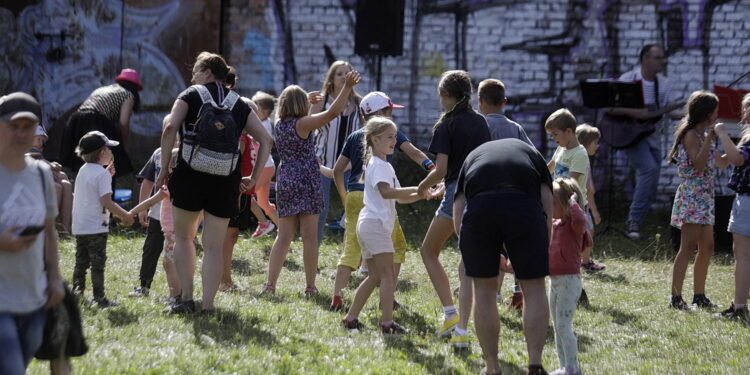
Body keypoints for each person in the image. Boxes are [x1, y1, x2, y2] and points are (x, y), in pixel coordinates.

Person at [155, 51, 272, 314]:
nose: (193, 77)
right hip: (225, 180)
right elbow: (266, 140)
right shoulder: (240, 103)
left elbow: (169, 128)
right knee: (214, 247)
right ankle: (208, 306)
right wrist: (253, 177)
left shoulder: (189, 95)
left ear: (207, 72)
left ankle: (186, 299)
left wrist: (164, 168)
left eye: (195, 71)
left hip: (189, 175)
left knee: (185, 237)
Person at [453, 138, 553, 375]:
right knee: (535, 287)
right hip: (523, 205)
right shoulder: (532, 153)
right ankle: (535, 365)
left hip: (479, 210)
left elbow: (458, 206)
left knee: (485, 291)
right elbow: (547, 200)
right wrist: (543, 242)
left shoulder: (472, 156)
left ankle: (492, 368)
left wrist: (469, 249)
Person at [330, 91, 435, 311]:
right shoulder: (389, 135)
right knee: (397, 245)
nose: (391, 117)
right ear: (377, 113)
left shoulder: (354, 136)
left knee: (351, 247)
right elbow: (415, 153)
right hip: (376, 198)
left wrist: (343, 195)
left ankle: (337, 297)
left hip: (355, 196)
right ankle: (387, 298)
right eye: (388, 111)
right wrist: (433, 169)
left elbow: (338, 170)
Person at [263, 71, 361, 295]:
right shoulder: (303, 124)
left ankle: (270, 285)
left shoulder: (279, 124)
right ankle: (310, 286)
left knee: (283, 236)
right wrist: (346, 87)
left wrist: (309, 101)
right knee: (309, 237)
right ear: (301, 105)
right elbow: (334, 112)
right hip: (307, 180)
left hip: (286, 179)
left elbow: (310, 118)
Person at [416, 70, 490, 345]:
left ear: (446, 96)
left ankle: (451, 314)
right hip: (482, 191)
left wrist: (424, 186)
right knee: (467, 260)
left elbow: (443, 169)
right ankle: (462, 328)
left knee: (428, 251)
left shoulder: (445, 125)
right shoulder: (481, 122)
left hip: (458, 194)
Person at [0, 92, 65, 375]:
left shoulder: (40, 174)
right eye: (13, 126)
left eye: (28, 127)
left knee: (19, 362)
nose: (20, 133)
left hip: (33, 294)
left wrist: (54, 279)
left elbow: (49, 231)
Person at [605, 44, 682, 240]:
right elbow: (609, 108)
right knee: (648, 169)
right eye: (657, 58)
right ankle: (634, 221)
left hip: (652, 136)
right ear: (645, 59)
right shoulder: (629, 79)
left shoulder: (664, 84)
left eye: (662, 58)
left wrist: (691, 112)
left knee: (653, 182)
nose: (661, 62)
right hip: (631, 136)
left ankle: (639, 221)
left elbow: (672, 113)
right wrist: (635, 112)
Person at [667, 91, 730, 310]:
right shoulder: (692, 135)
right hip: (693, 196)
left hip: (705, 198)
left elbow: (720, 163)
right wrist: (711, 139)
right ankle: (675, 297)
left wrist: (729, 143)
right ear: (707, 112)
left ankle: (699, 295)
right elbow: (699, 164)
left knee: (707, 247)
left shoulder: (704, 136)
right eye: (715, 109)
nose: (717, 114)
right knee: (688, 246)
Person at [477, 78, 532, 312]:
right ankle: (518, 291)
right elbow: (531, 156)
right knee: (514, 248)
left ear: (479, 102)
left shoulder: (480, 127)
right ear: (504, 102)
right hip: (515, 196)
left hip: (487, 196)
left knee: (492, 247)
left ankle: (493, 292)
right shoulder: (516, 128)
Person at [71, 131, 135, 307]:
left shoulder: (84, 170)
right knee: (97, 263)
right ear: (102, 153)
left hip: (81, 225)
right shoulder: (102, 175)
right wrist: (126, 215)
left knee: (81, 261)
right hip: (96, 227)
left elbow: (92, 190)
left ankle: (76, 294)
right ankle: (99, 298)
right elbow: (106, 201)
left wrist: (107, 175)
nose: (111, 152)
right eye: (108, 149)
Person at [310, 61, 363, 243]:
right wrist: (312, 157)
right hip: (321, 163)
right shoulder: (321, 100)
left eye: (347, 73)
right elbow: (307, 128)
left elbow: (366, 134)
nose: (344, 77)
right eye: (339, 74)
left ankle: (351, 256)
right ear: (331, 78)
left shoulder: (359, 102)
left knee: (353, 209)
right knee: (320, 209)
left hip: (349, 165)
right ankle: (313, 251)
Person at [60, 68, 143, 178]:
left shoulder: (103, 89)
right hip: (96, 120)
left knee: (83, 160)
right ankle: (105, 189)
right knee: (106, 160)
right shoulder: (128, 95)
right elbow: (123, 122)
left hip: (76, 120)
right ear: (135, 88)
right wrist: (124, 143)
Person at [129, 116, 175, 298]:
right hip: (157, 214)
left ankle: (178, 292)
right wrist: (142, 209)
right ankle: (144, 285)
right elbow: (147, 181)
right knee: (151, 250)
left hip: (179, 216)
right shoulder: (158, 154)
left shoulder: (187, 154)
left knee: (174, 257)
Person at [548, 178, 588, 375]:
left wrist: (574, 203)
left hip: (569, 282)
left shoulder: (575, 227)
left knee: (564, 326)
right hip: (554, 282)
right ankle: (564, 366)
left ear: (566, 205)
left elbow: (581, 220)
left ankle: (573, 368)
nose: (550, 206)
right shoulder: (555, 224)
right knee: (557, 327)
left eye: (554, 202)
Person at [716, 93, 750, 320]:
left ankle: (739, 307)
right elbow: (724, 161)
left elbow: (737, 159)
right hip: (745, 200)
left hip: (747, 200)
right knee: (742, 254)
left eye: (747, 108)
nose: (744, 113)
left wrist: (721, 133)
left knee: (743, 256)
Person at [575, 124, 605, 271]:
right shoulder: (584, 160)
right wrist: (595, 211)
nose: (597, 146)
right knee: (589, 231)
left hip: (571, 202)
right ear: (585, 143)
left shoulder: (573, 157)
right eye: (595, 143)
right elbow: (589, 188)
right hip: (582, 204)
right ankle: (585, 261)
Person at [250, 91, 279, 237]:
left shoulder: (263, 126)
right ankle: (284, 229)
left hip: (264, 168)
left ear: (263, 111)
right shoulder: (263, 123)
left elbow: (263, 141)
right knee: (264, 203)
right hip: (267, 168)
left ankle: (264, 223)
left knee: (245, 196)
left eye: (254, 108)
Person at [477, 78, 533, 145]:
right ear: (504, 102)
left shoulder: (478, 128)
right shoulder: (516, 128)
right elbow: (533, 153)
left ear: (480, 100)